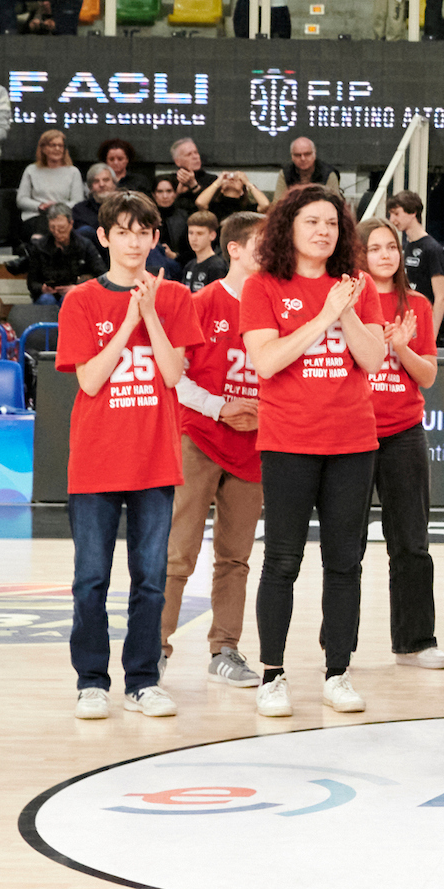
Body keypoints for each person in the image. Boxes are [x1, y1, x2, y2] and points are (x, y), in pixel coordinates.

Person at [242, 186, 387, 718]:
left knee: (345, 563)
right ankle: (273, 675)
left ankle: (338, 671)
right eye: (312, 221)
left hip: (352, 441)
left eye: (332, 222)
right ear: (289, 227)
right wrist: (324, 315)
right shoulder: (262, 287)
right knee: (282, 560)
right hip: (288, 442)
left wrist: (344, 309)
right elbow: (267, 361)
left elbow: (372, 360)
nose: (324, 230)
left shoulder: (359, 286)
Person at [59, 191, 195, 721]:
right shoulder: (82, 301)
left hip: (154, 459)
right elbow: (91, 378)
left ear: (156, 239)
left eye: (144, 232)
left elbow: (172, 374)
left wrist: (151, 314)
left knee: (151, 577)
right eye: (124, 231)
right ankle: (91, 681)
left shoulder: (176, 298)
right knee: (91, 578)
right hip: (95, 461)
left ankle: (142, 679)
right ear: (105, 237)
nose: (134, 241)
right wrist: (128, 322)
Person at [162, 211, 266, 687]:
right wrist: (219, 407)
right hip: (199, 438)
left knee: (236, 556)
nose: (270, 251)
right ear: (236, 250)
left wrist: (265, 411)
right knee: (178, 552)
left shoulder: (276, 307)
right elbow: (174, 375)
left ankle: (225, 648)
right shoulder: (202, 302)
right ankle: (155, 647)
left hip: (253, 446)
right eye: (261, 243)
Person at [356, 216, 444, 671]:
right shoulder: (345, 302)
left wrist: (402, 348)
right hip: (351, 433)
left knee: (411, 542)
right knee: (345, 545)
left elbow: (428, 375)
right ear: (358, 255)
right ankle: (338, 646)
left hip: (403, 433)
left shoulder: (418, 306)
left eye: (390, 247)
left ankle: (414, 643)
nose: (386, 255)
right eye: (374, 249)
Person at [384, 191, 444, 344]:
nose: (392, 219)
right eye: (391, 214)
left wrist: (431, 336)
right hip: (408, 322)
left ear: (412, 212)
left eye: (396, 214)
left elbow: (441, 298)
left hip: (424, 324)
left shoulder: (432, 249)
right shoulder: (407, 245)